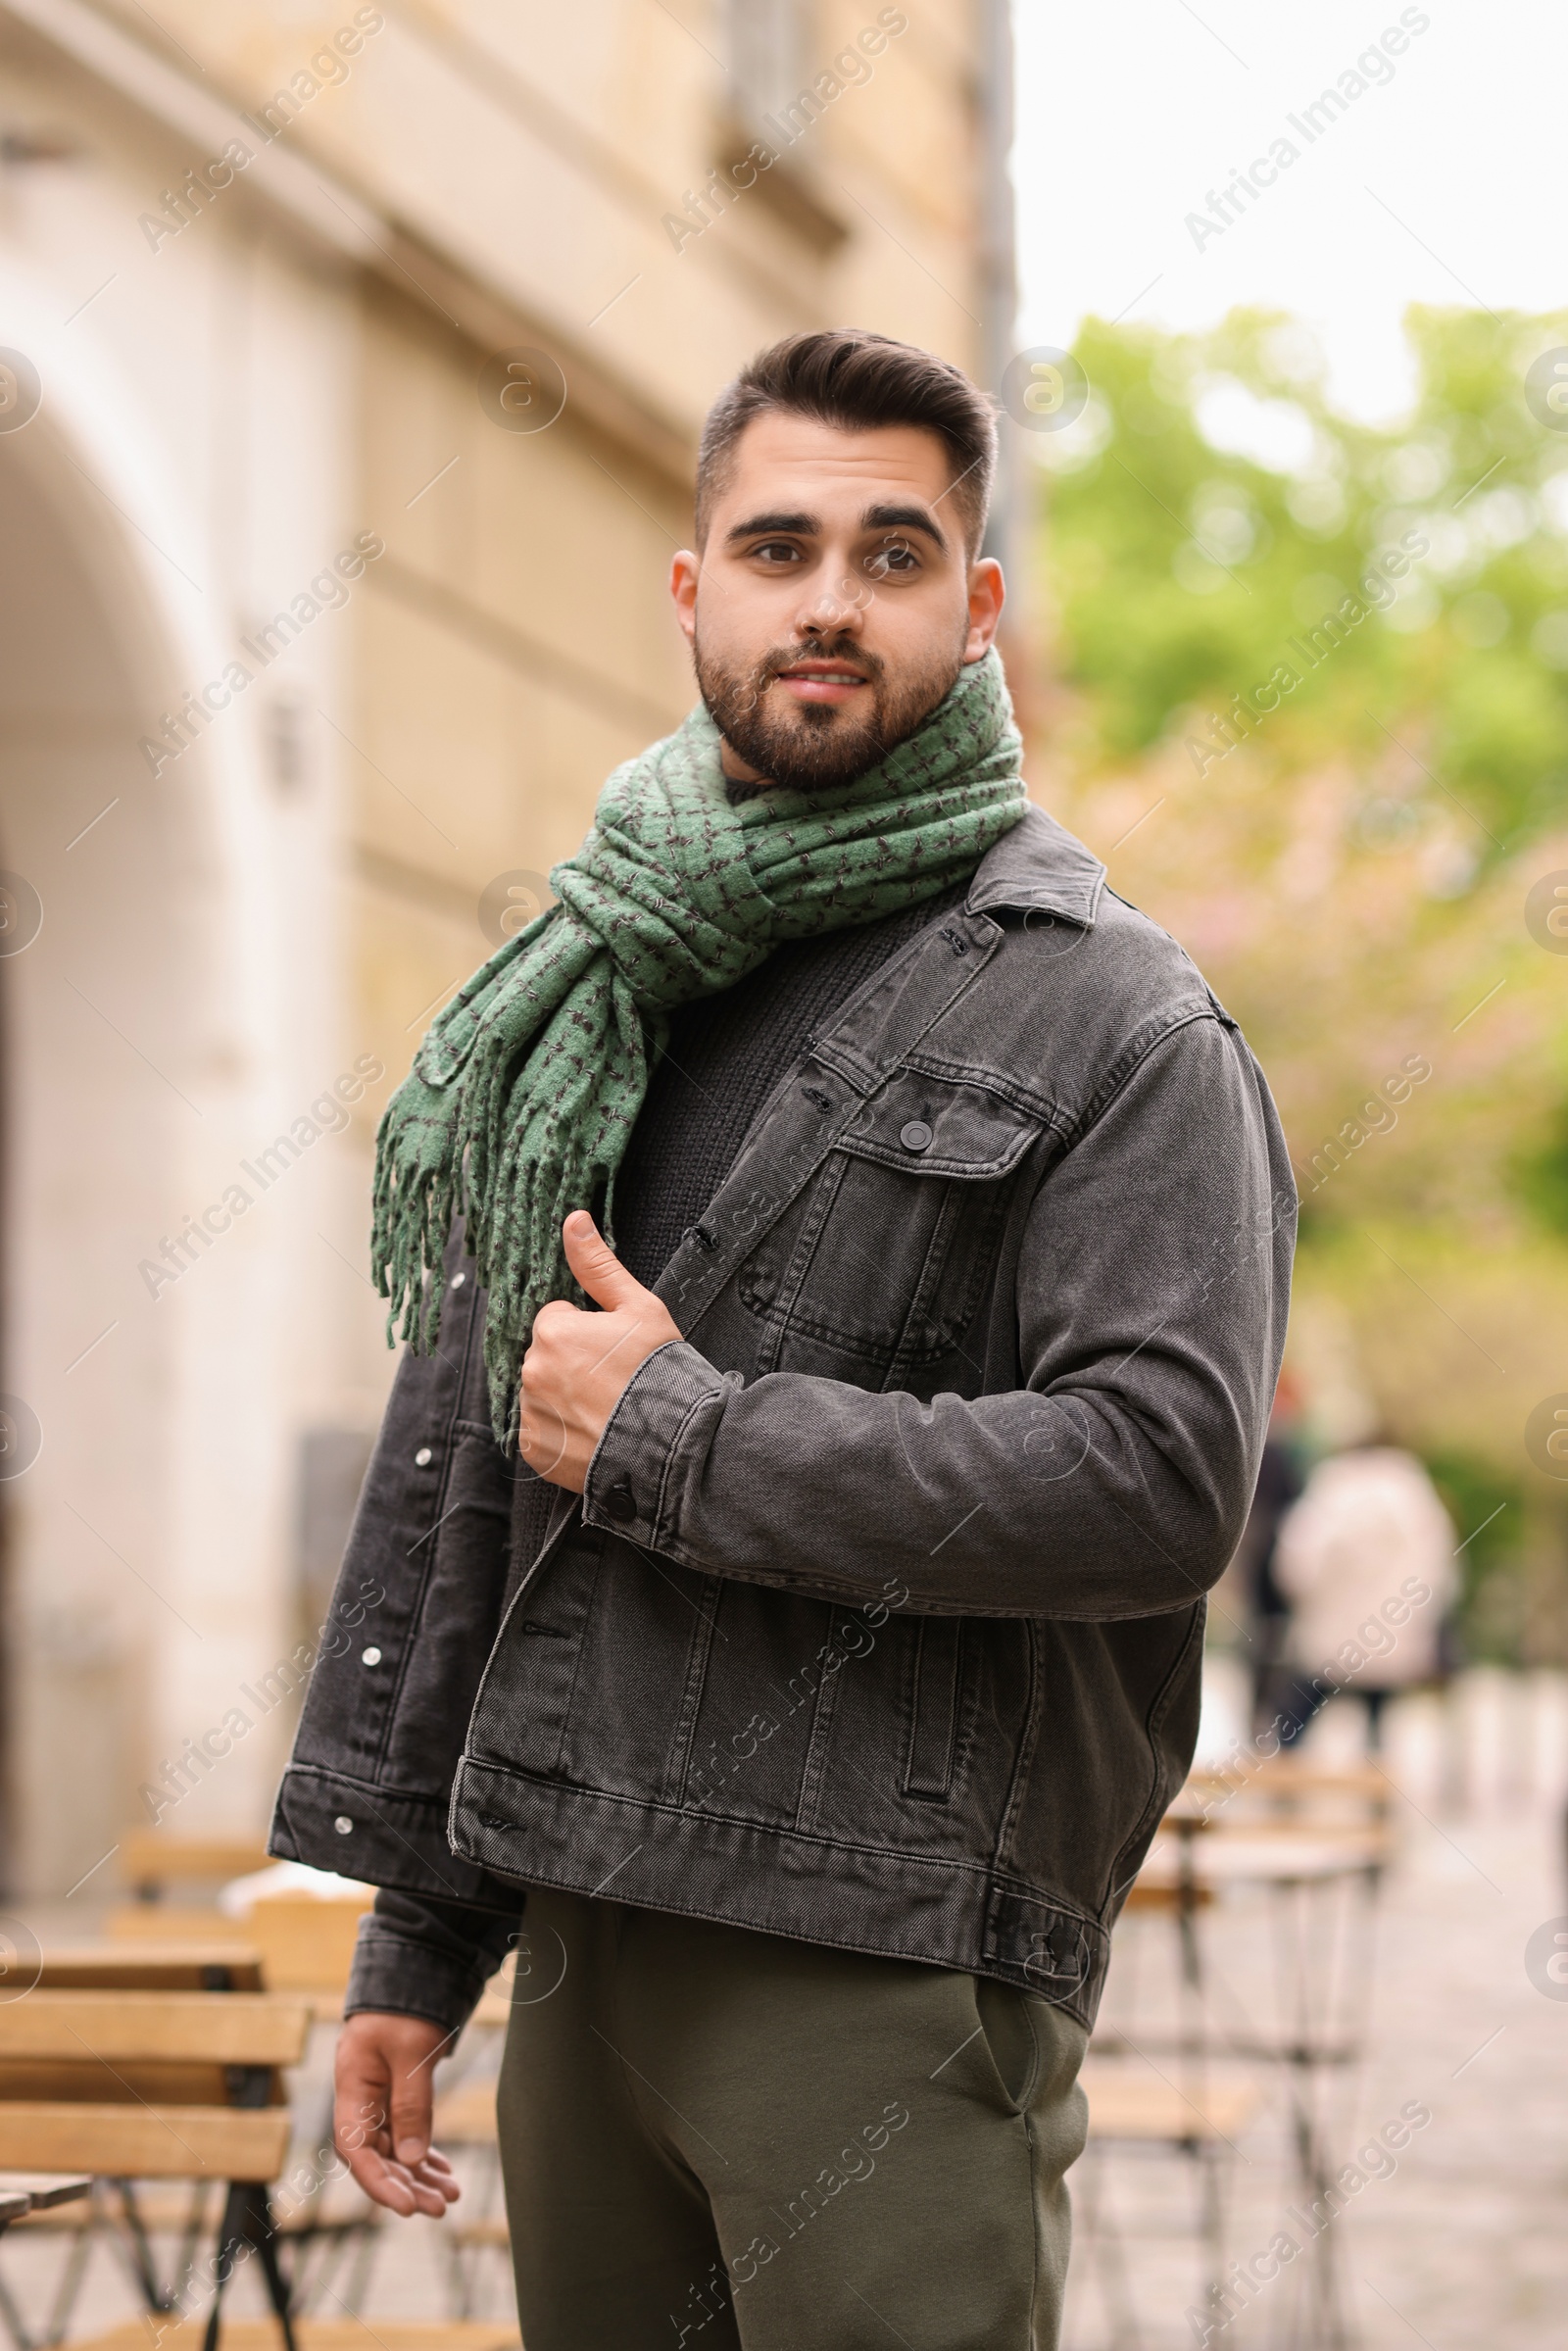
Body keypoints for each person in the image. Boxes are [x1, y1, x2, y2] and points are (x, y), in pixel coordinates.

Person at [271, 328, 1295, 2351]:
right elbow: (498, 1459)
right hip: (579, 1935)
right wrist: (420, 1926)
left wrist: (683, 1431)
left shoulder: (1113, 1017)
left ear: (974, 604)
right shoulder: (599, 983)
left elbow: (1159, 1476)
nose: (827, 597)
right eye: (775, 544)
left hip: (884, 1958)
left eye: (890, 552)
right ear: (692, 588)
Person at [1271, 1437, 1457, 1749]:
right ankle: (1377, 1789)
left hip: (1331, 1633)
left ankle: (1283, 1782)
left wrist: (1301, 1601)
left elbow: (1296, 1562)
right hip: (1389, 1634)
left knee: (1300, 1714)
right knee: (1378, 1722)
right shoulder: (1416, 1496)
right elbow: (1440, 1570)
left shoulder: (1332, 1489)